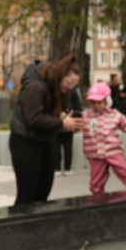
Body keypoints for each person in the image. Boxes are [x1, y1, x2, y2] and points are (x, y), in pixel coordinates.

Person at [9, 55, 85, 205]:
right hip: (26, 143)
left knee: (43, 192)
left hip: (45, 142)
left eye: (73, 85)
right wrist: (61, 123)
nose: (69, 88)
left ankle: (37, 226)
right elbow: (34, 118)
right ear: (62, 74)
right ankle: (19, 226)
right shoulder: (35, 86)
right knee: (27, 195)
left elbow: (48, 116)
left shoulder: (53, 88)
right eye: (69, 82)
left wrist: (65, 123)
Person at [81, 81, 126, 195]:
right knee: (96, 180)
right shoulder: (86, 115)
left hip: (113, 151)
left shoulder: (114, 115)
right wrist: (64, 125)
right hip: (95, 154)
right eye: (93, 102)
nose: (96, 105)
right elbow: (74, 125)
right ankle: (97, 196)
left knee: (124, 170)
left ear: (107, 101)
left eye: (99, 102)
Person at [55, 83, 83, 176]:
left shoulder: (73, 90)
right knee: (57, 147)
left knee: (67, 146)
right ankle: (58, 168)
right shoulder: (56, 89)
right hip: (58, 123)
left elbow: (78, 108)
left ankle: (66, 168)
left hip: (67, 123)